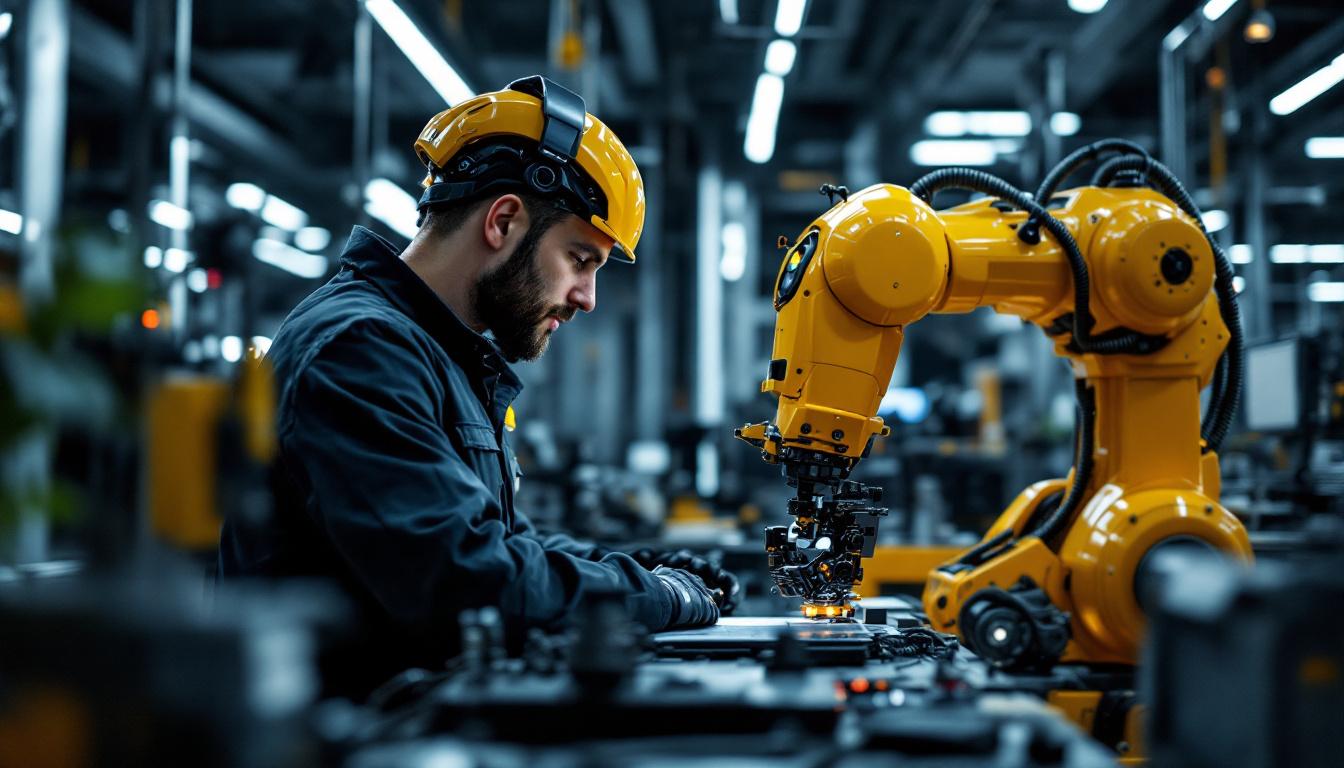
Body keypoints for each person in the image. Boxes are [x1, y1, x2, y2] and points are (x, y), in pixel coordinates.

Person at [218, 76, 736, 693]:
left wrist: (642, 569)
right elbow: (468, 579)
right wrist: (658, 597)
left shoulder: (436, 354)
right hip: (343, 728)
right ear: (504, 220)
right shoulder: (360, 349)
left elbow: (498, 538)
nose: (587, 298)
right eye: (580, 260)